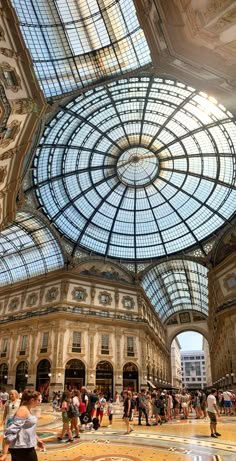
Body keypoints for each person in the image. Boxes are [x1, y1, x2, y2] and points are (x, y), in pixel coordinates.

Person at [0, 389, 44, 461]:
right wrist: (4, 453)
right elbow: (10, 432)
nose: (40, 402)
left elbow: (27, 427)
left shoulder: (27, 409)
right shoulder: (23, 410)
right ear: (32, 400)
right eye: (39, 400)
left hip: (25, 446)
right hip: (22, 448)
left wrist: (37, 439)